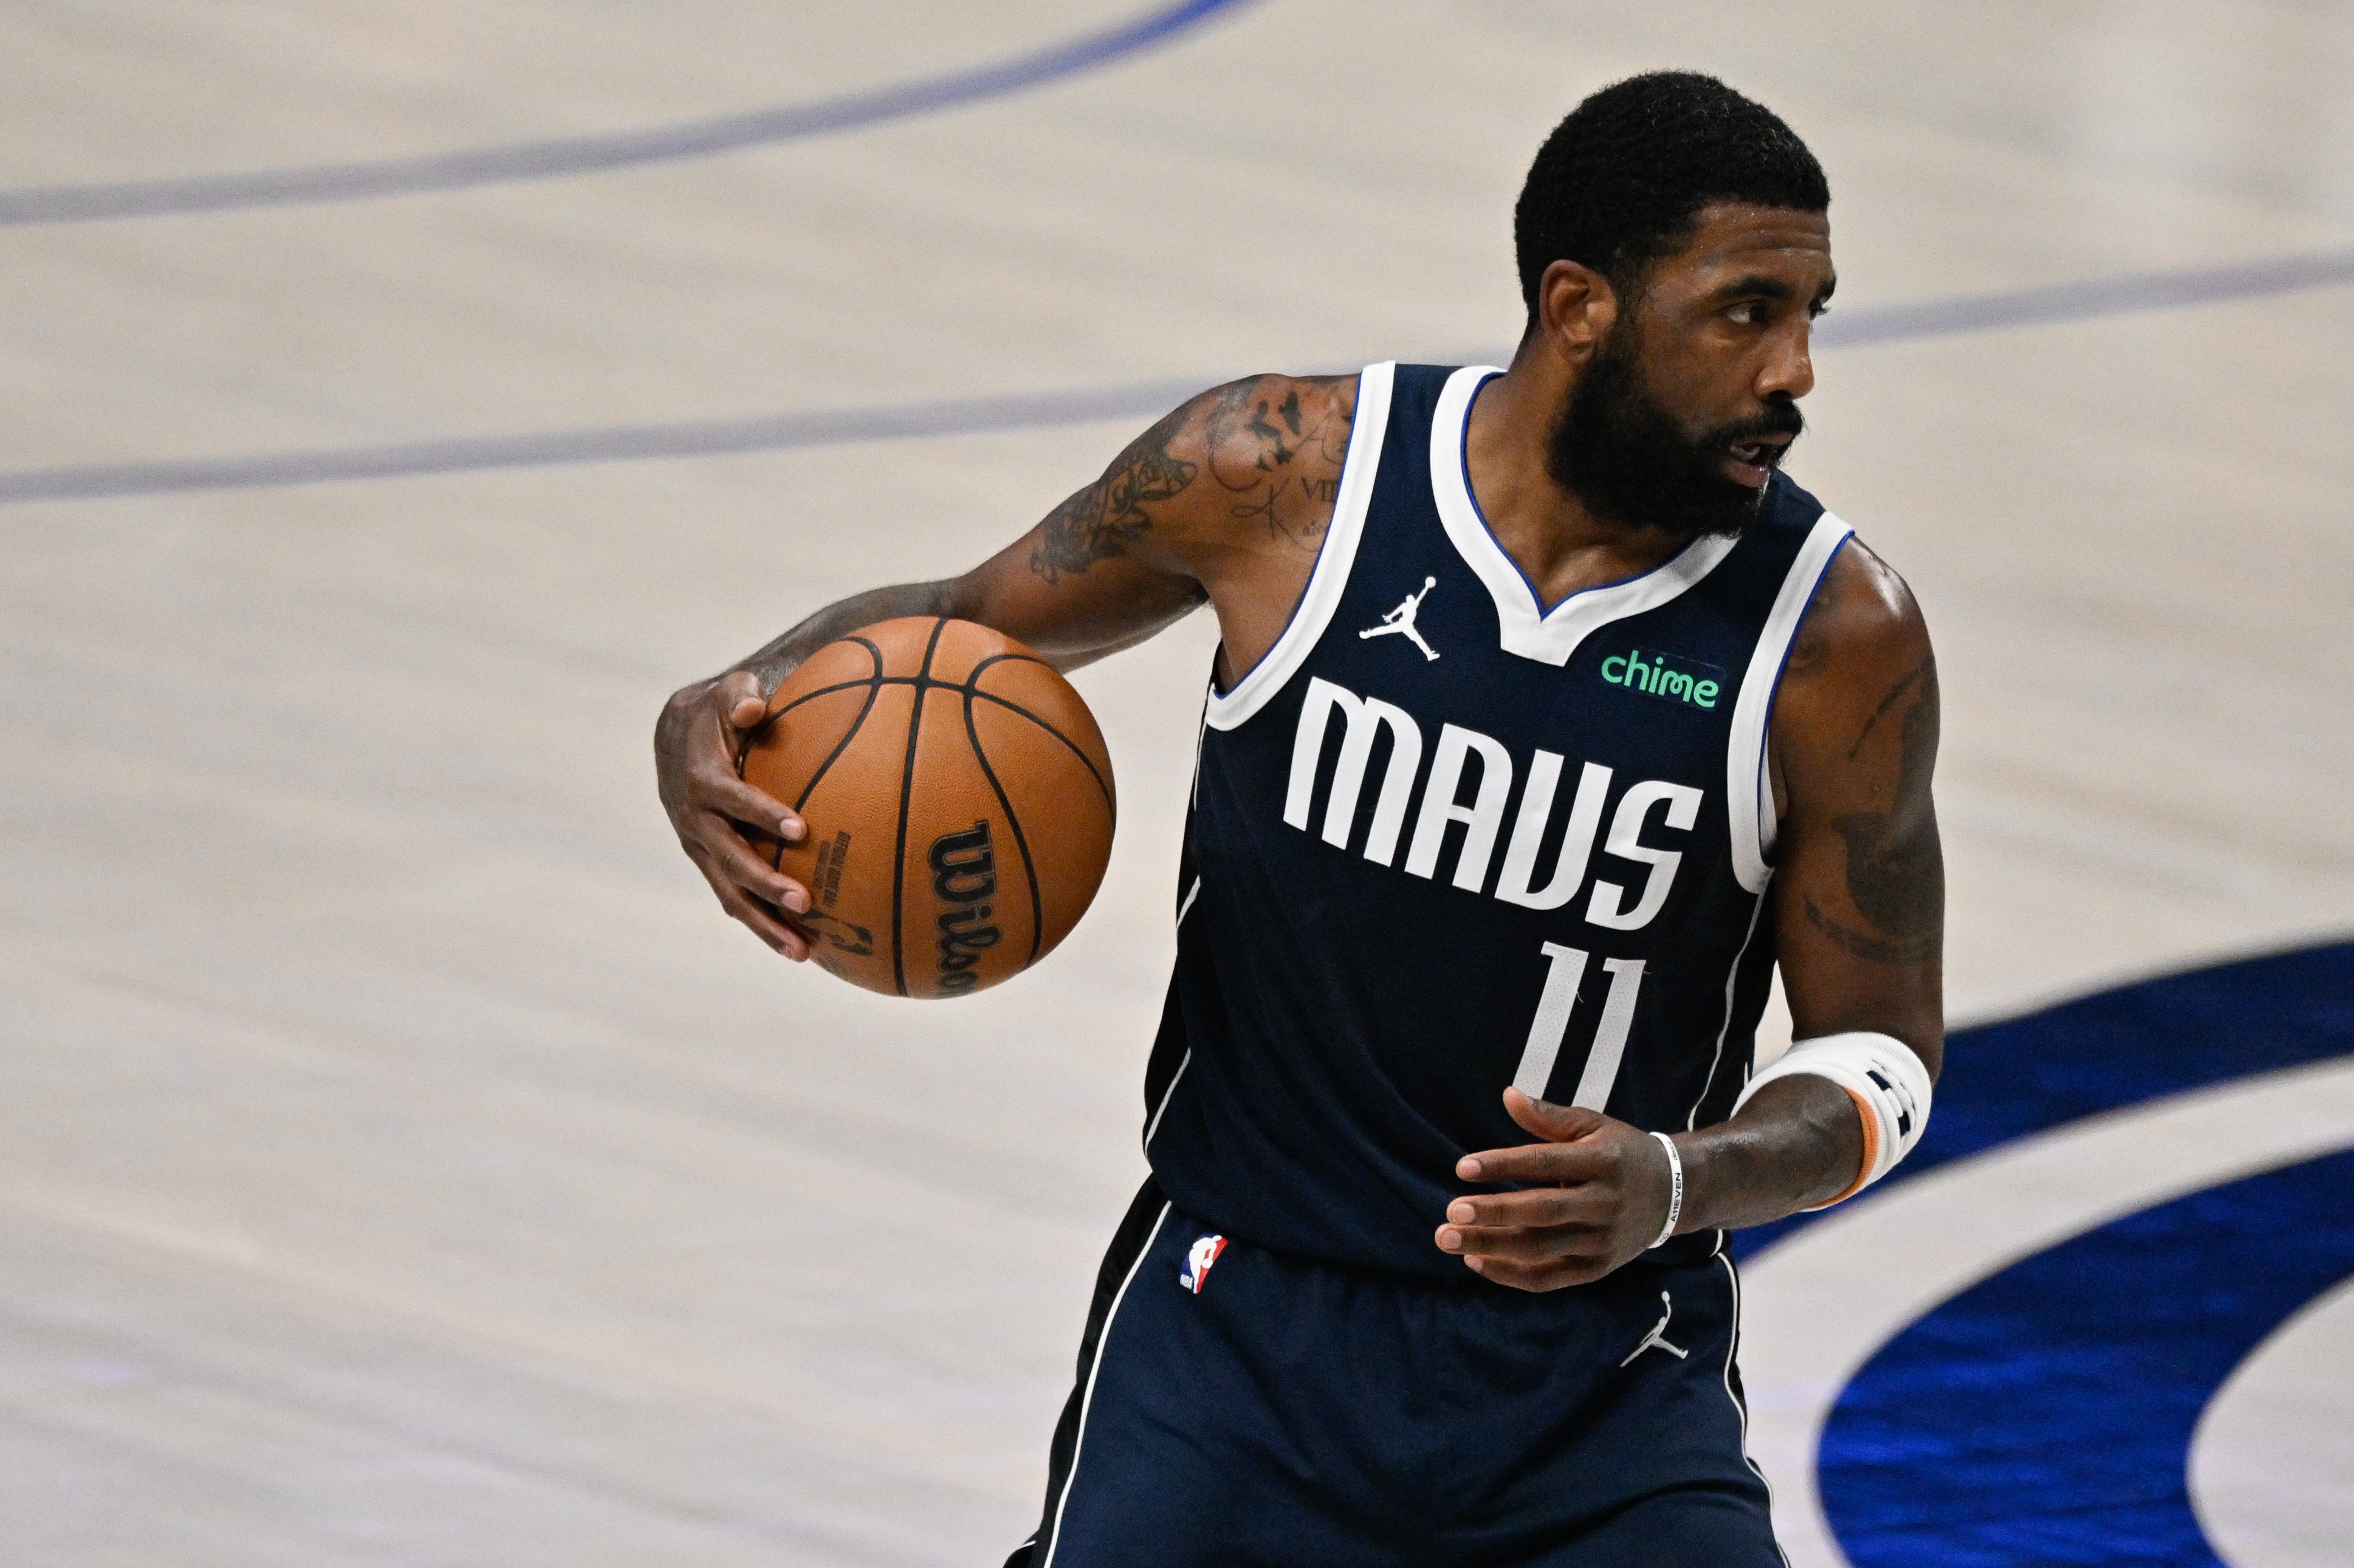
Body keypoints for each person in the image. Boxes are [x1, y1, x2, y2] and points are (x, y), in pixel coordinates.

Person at [656, 70, 1943, 1568]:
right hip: (1237, 1335)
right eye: (1743, 313)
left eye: (1810, 315)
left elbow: (1879, 1057)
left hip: (1596, 1378)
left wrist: (1677, 1180)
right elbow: (958, 625)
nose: (1794, 371)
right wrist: (732, 705)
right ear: (1579, 306)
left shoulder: (1833, 636)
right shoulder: (1281, 476)